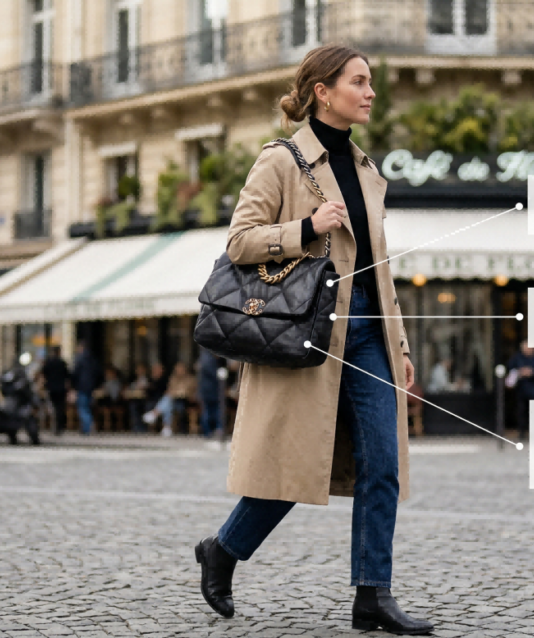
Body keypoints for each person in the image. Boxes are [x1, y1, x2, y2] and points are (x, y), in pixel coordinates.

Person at [193, 45, 431, 635]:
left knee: (383, 466)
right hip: (311, 338)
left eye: (371, 81)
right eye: (359, 81)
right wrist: (306, 228)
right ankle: (222, 550)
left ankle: (372, 596)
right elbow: (239, 243)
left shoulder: (370, 172)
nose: (370, 91)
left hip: (370, 337)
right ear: (324, 91)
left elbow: (381, 270)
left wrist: (399, 348)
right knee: (293, 467)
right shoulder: (281, 161)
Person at [144, 361, 197, 437]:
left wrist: (178, 392)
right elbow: (170, 390)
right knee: (168, 404)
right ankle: (166, 427)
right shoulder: (173, 378)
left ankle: (155, 414)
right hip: (174, 400)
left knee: (168, 400)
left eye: (181, 369)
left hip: (185, 402)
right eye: (177, 369)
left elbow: (189, 392)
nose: (179, 371)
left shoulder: (190, 379)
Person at [506, 341, 534, 441]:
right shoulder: (517, 358)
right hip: (521, 389)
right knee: (521, 411)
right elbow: (510, 367)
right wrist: (519, 371)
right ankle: (521, 432)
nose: (527, 350)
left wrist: (532, 372)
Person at [40, 346, 70, 435]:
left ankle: (54, 426)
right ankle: (59, 427)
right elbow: (67, 375)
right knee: (60, 408)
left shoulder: (49, 362)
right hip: (60, 389)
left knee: (53, 408)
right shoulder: (62, 363)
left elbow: (44, 374)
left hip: (52, 388)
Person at [70, 343, 97, 436]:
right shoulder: (92, 360)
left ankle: (87, 427)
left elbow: (75, 374)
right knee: (87, 407)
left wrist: (73, 386)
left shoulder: (79, 360)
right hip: (90, 388)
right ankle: (88, 425)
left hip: (82, 387)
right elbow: (98, 373)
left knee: (83, 408)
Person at [197, 349, 224, 438]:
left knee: (209, 410)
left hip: (207, 390)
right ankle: (209, 431)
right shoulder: (208, 359)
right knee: (210, 411)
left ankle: (209, 431)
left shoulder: (205, 358)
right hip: (210, 390)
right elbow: (214, 374)